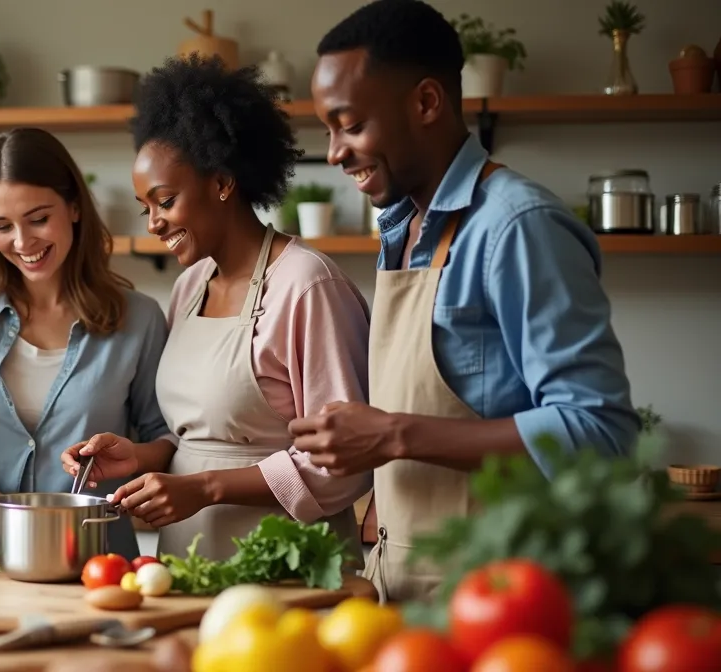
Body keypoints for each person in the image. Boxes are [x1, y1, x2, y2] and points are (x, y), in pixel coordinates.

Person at [293, 0, 639, 602]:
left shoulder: (516, 225)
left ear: (427, 102)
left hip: (504, 605)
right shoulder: (403, 229)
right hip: (405, 595)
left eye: (350, 125)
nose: (334, 152)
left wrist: (394, 435)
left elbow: (601, 434)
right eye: (328, 130)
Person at [61, 55, 374, 562]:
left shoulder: (308, 286)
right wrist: (139, 456)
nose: (154, 223)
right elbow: (197, 435)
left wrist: (206, 488)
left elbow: (343, 463)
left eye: (166, 201)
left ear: (222, 183)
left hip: (287, 565)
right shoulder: (190, 286)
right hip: (189, 560)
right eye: (146, 208)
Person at [0, 127, 174, 559]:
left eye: (38, 219)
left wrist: (133, 458)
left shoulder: (139, 318)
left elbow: (165, 438)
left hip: (94, 556)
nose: (22, 241)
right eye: (2, 226)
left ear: (74, 207)